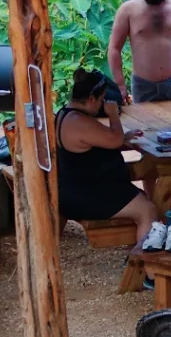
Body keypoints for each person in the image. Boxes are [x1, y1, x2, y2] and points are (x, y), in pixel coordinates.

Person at [55, 69, 157, 243]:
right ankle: (143, 264)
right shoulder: (79, 122)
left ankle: (137, 249)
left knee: (141, 197)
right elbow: (115, 141)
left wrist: (123, 137)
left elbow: (99, 140)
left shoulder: (66, 115)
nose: (103, 104)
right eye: (101, 100)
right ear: (91, 99)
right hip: (86, 196)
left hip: (77, 190)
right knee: (147, 210)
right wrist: (113, 116)